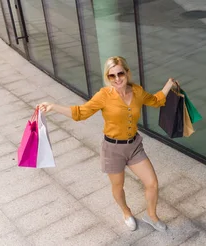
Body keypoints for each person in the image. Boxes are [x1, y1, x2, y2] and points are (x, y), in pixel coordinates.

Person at [38, 56, 177, 232]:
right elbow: (81, 112)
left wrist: (168, 85)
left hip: (134, 146)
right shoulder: (104, 95)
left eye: (120, 73)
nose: (117, 78)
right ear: (108, 77)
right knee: (118, 186)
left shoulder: (137, 91)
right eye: (112, 76)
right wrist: (53, 106)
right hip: (112, 150)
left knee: (152, 183)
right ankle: (126, 212)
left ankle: (151, 216)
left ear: (127, 73)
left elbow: (155, 100)